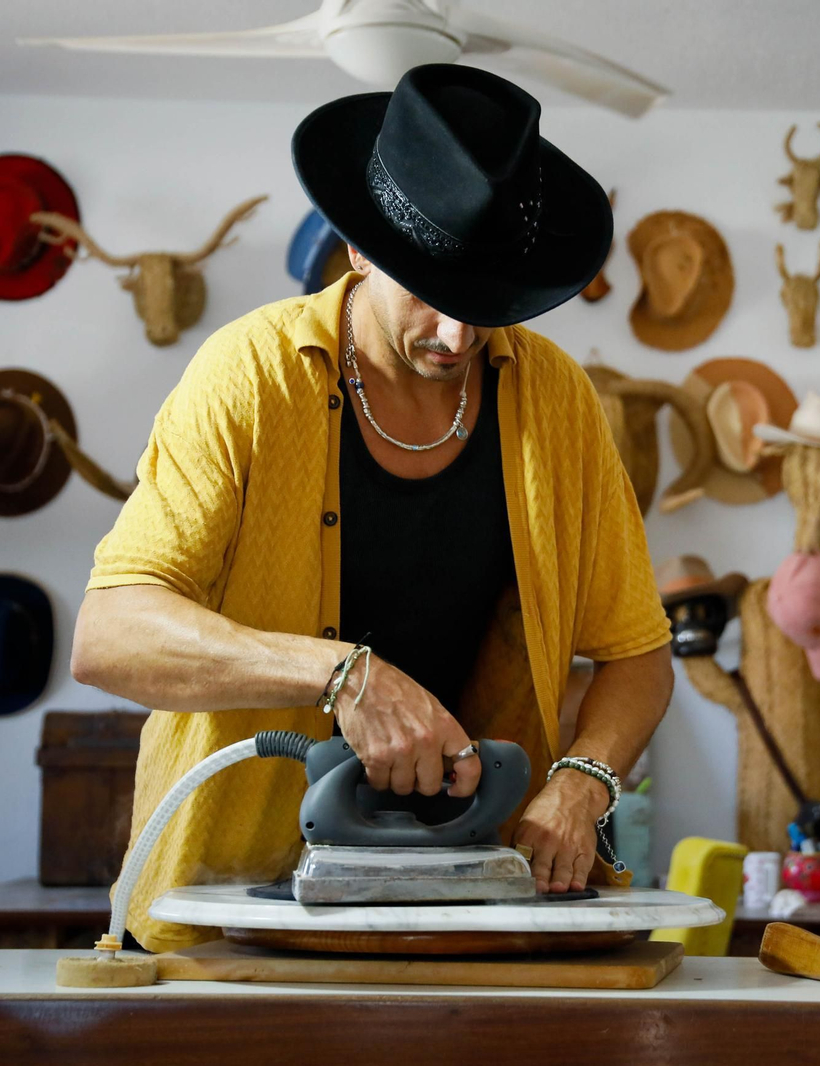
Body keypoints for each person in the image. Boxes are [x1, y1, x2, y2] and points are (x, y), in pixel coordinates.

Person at [69, 64, 673, 952]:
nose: (458, 336)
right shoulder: (247, 375)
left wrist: (584, 781)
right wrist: (343, 673)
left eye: (483, 301)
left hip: (476, 909)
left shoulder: (558, 399)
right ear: (359, 248)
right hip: (226, 912)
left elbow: (638, 654)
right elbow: (109, 636)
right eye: (428, 292)